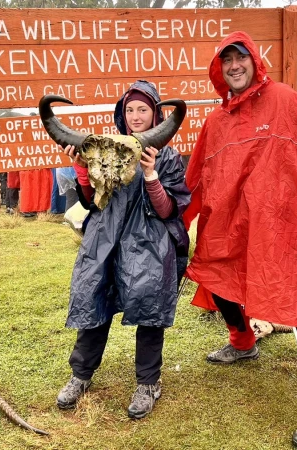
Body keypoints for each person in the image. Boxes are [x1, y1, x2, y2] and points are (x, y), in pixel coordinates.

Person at [182, 32, 297, 448]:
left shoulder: (285, 101)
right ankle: (243, 343)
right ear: (219, 70)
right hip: (234, 228)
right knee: (219, 282)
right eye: (226, 61)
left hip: (287, 230)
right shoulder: (216, 121)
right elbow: (198, 176)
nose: (233, 67)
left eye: (239, 58)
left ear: (254, 61)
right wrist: (178, 218)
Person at [53, 80, 190, 420]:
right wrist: (81, 169)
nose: (136, 116)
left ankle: (148, 383)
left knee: (149, 308)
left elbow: (169, 210)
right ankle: (80, 375)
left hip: (150, 242)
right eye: (130, 109)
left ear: (156, 113)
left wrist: (150, 173)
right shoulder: (105, 148)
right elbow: (89, 202)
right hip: (105, 238)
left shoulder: (168, 155)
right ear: (122, 113)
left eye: (143, 109)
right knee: (94, 302)